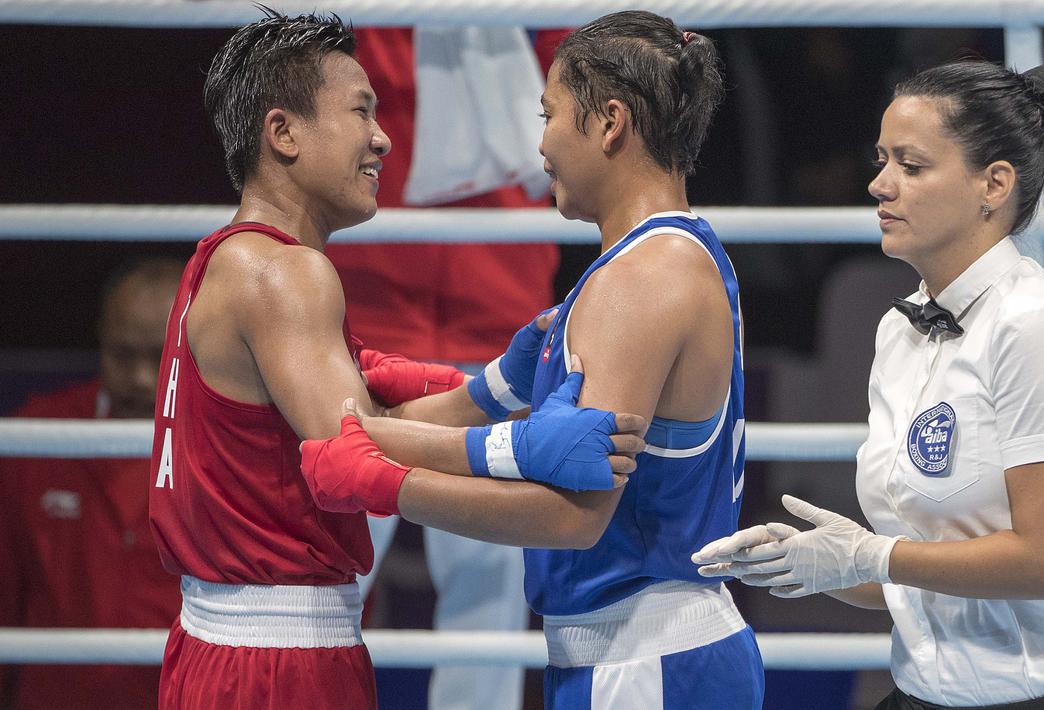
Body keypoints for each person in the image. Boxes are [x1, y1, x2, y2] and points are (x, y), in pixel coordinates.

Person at [149, 10, 643, 709]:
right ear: (283, 132)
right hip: (273, 665)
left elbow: (363, 417)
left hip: (232, 647)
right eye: (360, 111)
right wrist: (521, 453)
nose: (383, 139)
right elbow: (354, 458)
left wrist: (498, 388)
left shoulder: (235, 257)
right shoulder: (285, 277)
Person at [315, 10, 765, 708]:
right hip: (626, 654)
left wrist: (379, 465)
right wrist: (436, 407)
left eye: (550, 113)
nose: (541, 142)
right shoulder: (648, 261)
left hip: (646, 662)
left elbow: (572, 516)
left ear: (609, 122)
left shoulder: (642, 278)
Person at [695, 60, 1044, 709]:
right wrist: (816, 564)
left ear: (993, 184)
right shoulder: (898, 330)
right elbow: (921, 572)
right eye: (881, 160)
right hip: (921, 692)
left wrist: (872, 555)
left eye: (910, 166)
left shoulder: (1036, 327)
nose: (879, 184)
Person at [330, 26, 570, 710]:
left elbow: (600, 68)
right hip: (364, 319)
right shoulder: (365, 23)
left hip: (499, 317)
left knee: (489, 580)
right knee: (327, 567)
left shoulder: (538, 17)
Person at [0, 259, 183, 710]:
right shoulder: (38, 432)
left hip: (180, 695)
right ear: (100, 336)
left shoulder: (228, 442)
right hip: (54, 695)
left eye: (158, 356)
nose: (141, 378)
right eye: (124, 354)